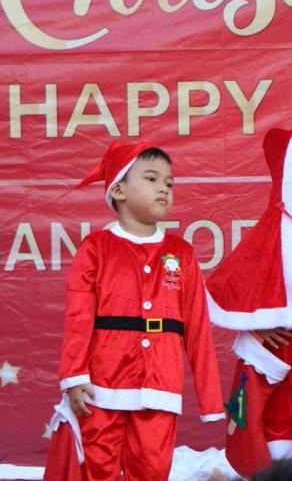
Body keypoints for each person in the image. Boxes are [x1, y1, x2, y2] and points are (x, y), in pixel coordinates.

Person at [43, 141, 224, 481]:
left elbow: (198, 328)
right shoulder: (95, 247)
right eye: (152, 179)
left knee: (153, 468)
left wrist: (210, 399)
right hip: (102, 384)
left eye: (169, 183)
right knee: (98, 468)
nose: (163, 189)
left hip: (161, 383)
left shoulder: (181, 253)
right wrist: (75, 376)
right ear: (119, 190)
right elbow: (78, 316)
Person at [207, 128, 292, 477]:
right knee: (267, 419)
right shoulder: (274, 231)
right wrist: (257, 323)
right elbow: (236, 283)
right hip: (278, 345)